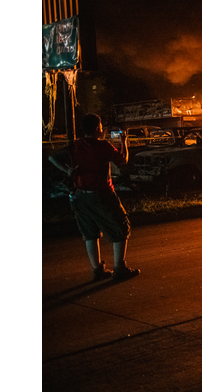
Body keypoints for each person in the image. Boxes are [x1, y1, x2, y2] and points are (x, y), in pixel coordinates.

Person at [48, 114, 140, 282]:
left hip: (79, 196)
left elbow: (52, 157)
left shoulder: (76, 145)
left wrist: (67, 170)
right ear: (97, 128)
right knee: (120, 227)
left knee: (90, 233)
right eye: (101, 126)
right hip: (101, 194)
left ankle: (97, 270)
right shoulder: (103, 146)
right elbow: (123, 160)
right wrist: (123, 141)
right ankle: (120, 268)